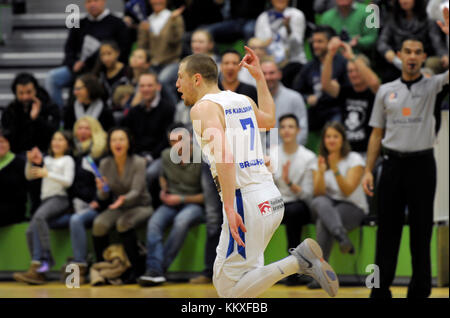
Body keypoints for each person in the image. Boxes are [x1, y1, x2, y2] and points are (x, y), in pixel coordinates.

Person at [176, 48, 338, 297]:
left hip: (246, 202)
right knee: (245, 283)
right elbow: (270, 120)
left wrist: (229, 208)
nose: (177, 84)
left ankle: (298, 262)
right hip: (271, 199)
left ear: (196, 79)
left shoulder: (202, 108)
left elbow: (225, 157)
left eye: (180, 77)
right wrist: (260, 77)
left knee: (228, 290)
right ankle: (298, 261)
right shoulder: (241, 99)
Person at [361, 9, 449, 298]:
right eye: (407, 51)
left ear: (424, 57)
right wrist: (367, 171)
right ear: (399, 55)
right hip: (392, 165)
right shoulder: (386, 91)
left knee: (421, 232)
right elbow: (376, 133)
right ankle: (380, 290)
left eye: (418, 52)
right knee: (387, 231)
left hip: (423, 165)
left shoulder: (433, 86)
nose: (412, 56)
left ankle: (420, 290)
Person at [138, 123, 205, 286]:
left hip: (194, 204)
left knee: (181, 221)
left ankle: (157, 269)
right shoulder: (166, 155)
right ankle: (155, 271)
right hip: (171, 202)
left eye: (180, 139)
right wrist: (163, 189)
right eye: (173, 141)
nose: (177, 145)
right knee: (154, 222)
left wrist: (181, 199)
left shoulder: (202, 157)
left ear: (189, 139)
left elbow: (207, 198)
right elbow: (162, 176)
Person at [309, 121, 368, 289]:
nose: (331, 140)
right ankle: (341, 235)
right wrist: (321, 172)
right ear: (323, 140)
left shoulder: (354, 159)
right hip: (329, 206)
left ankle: (321, 277)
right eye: (328, 136)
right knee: (319, 202)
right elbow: (318, 193)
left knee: (323, 220)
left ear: (343, 139)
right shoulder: (318, 160)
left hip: (353, 207)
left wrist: (335, 169)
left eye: (336, 136)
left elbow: (348, 190)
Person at [13, 131, 75, 285]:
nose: (56, 142)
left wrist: (48, 173)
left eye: (61, 139)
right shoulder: (46, 159)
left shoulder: (68, 160)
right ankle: (37, 270)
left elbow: (68, 181)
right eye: (54, 139)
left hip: (60, 199)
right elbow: (29, 176)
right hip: (45, 201)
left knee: (39, 217)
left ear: (67, 144)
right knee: (30, 230)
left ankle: (46, 259)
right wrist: (29, 162)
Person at [92, 127, 154, 283]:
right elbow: (104, 196)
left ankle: (136, 269)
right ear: (109, 144)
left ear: (128, 143)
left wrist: (123, 199)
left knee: (123, 223)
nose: (117, 143)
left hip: (141, 205)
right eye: (114, 140)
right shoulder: (105, 163)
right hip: (118, 206)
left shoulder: (139, 162)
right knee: (99, 224)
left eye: (121, 139)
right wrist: (101, 189)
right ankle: (104, 270)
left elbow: (137, 191)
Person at [45, 0, 131, 108]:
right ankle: (60, 114)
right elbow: (69, 49)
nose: (92, 4)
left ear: (103, 2)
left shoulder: (117, 23)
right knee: (52, 78)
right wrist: (73, 63)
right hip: (81, 69)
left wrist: (109, 63)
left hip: (105, 70)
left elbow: (124, 50)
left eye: (96, 1)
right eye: (89, 1)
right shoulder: (79, 23)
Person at [267, 114, 316, 286]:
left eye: (291, 127)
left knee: (294, 211)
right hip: (277, 202)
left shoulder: (308, 157)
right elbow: (267, 188)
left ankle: (293, 269)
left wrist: (289, 182)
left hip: (298, 203)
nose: (287, 130)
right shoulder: (272, 154)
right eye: (284, 127)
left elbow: (308, 195)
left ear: (298, 131)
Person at [122, 72, 175, 210]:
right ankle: (128, 206)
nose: (146, 89)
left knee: (150, 173)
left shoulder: (168, 109)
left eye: (150, 85)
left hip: (159, 156)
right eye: (142, 86)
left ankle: (150, 207)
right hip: (137, 155)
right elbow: (127, 135)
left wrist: (149, 157)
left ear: (158, 87)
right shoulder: (134, 111)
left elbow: (166, 140)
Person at [321, 37, 380, 156]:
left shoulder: (375, 92)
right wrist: (330, 54)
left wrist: (352, 56)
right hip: (346, 152)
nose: (353, 74)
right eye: (350, 71)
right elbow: (326, 84)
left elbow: (374, 82)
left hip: (368, 152)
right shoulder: (345, 91)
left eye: (356, 70)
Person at [293, 25, 350, 132]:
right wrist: (307, 98)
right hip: (317, 109)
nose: (315, 45)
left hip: (338, 108)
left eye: (319, 42)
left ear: (329, 43)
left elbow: (351, 90)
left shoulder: (343, 63)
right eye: (314, 42)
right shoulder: (309, 66)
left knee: (335, 125)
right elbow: (296, 92)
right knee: (292, 123)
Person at [377, 0, 449, 82]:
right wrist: (387, 51)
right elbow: (382, 41)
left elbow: (436, 41)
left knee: (431, 66)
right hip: (399, 60)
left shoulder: (427, 16)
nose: (404, 1)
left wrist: (443, 54)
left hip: (424, 59)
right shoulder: (393, 17)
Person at [137, 0, 185, 105]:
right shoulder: (148, 20)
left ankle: (175, 109)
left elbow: (175, 41)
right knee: (143, 82)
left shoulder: (175, 17)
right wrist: (144, 30)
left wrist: (172, 22)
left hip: (172, 62)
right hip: (153, 63)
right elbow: (142, 46)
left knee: (163, 81)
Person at [1, 73, 60, 156]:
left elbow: (53, 133)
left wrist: (36, 119)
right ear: (15, 93)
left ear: (35, 90)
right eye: (21, 93)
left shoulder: (50, 107)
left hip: (45, 152)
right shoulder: (10, 110)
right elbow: (9, 137)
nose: (25, 97)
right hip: (18, 154)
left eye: (29, 92)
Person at [255, 0, 307, 88]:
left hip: (293, 61)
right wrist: (265, 45)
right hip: (270, 62)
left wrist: (288, 29)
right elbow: (258, 45)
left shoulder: (296, 15)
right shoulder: (263, 18)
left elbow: (297, 47)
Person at [261, 59, 308, 146]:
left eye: (271, 73)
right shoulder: (253, 98)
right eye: (264, 73)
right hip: (262, 155)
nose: (268, 77)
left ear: (279, 74)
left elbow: (302, 130)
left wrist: (288, 152)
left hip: (288, 154)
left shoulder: (294, 98)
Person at [0, 128, 27, 227]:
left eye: (3, 142)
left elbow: (21, 192)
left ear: (9, 144)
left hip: (14, 208)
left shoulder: (19, 162)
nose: (1, 145)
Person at [93, 41, 131, 111]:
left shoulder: (127, 71)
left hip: (121, 111)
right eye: (103, 54)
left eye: (109, 53)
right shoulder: (99, 72)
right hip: (103, 111)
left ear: (117, 53)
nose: (106, 58)